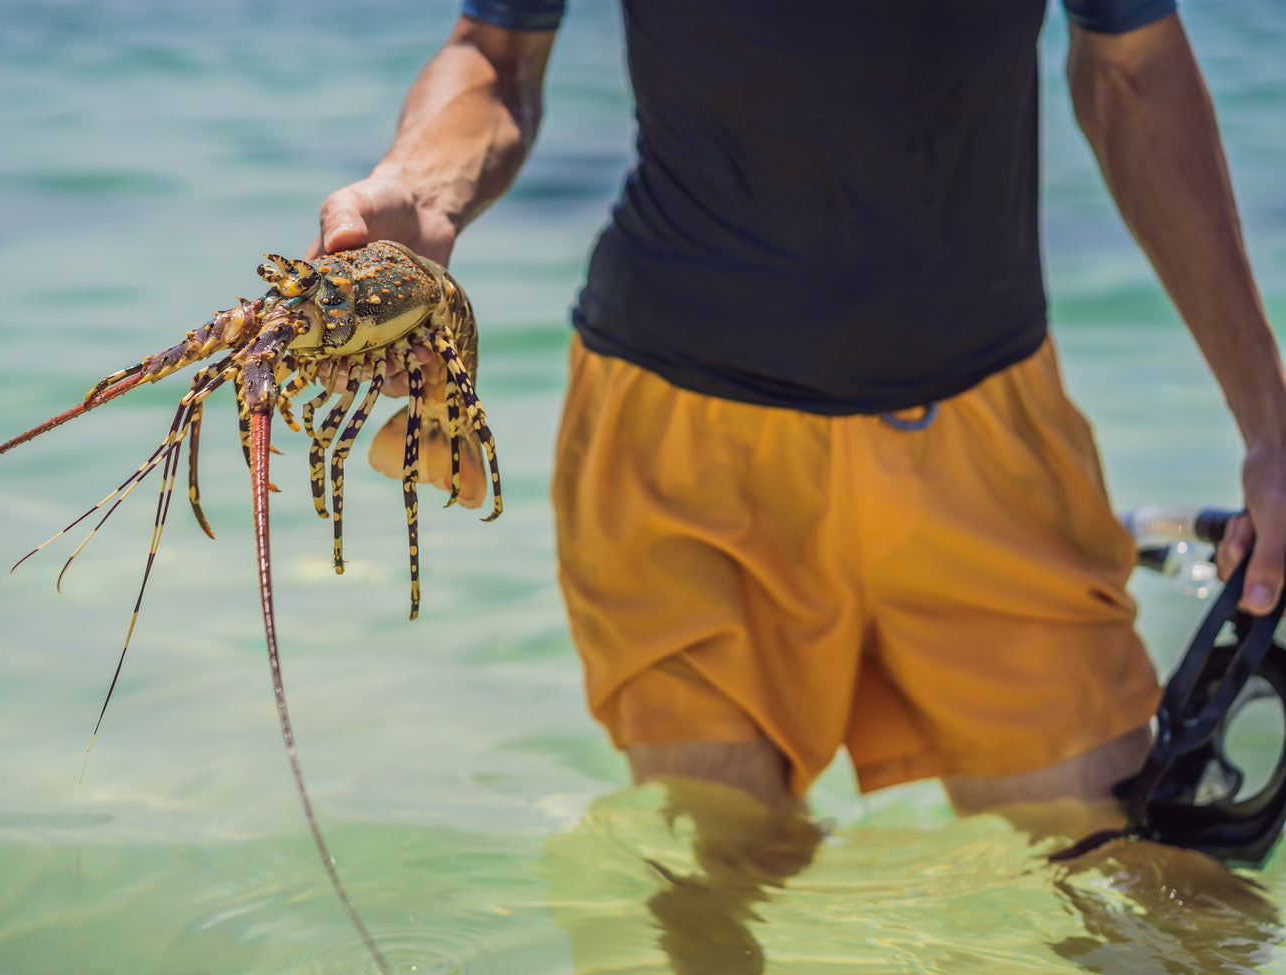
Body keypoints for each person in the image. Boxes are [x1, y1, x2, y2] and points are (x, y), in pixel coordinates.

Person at [311, 0, 1283, 838]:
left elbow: (1134, 68)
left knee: (1125, 889)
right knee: (719, 893)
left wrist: (1269, 428)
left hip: (990, 429)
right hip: (678, 449)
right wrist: (420, 188)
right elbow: (496, 54)